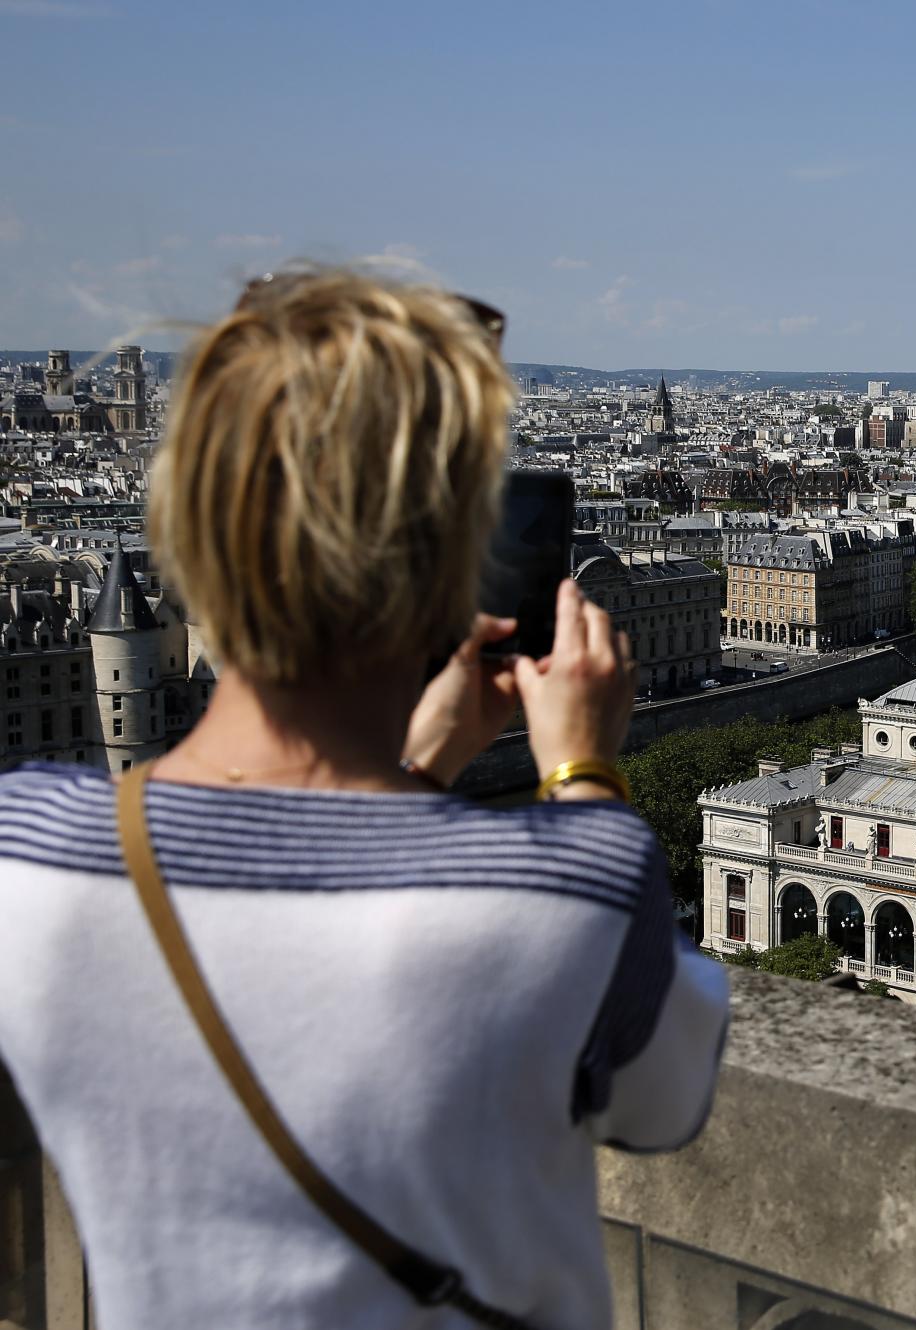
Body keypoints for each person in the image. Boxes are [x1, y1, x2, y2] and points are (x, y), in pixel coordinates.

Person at [0, 267, 728, 1327]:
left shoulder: (28, 850)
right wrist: (581, 775)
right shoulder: (567, 880)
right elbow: (663, 1105)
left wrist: (419, 758)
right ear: (449, 568)